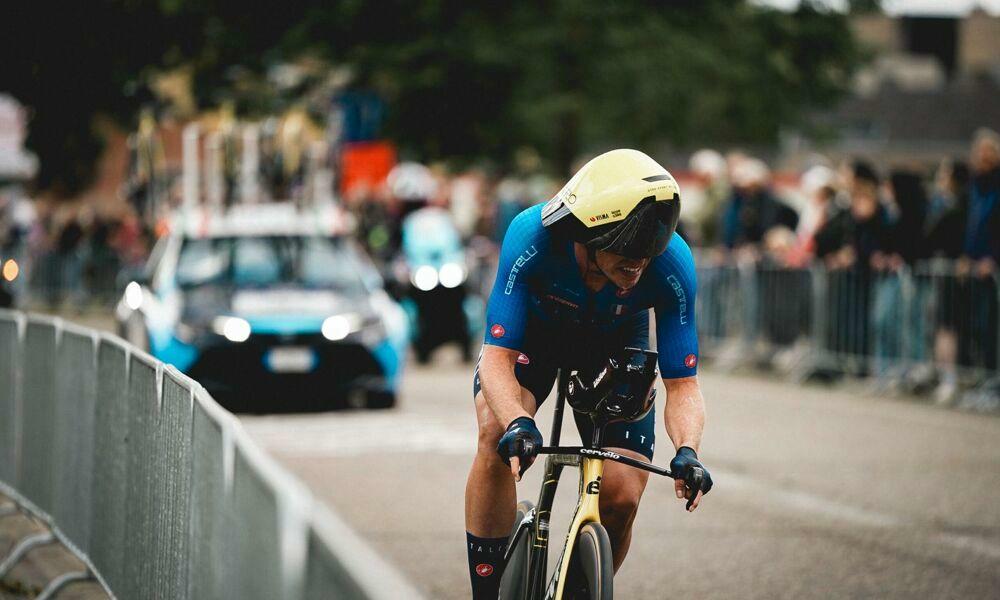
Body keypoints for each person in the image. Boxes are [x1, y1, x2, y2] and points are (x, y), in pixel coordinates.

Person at [464, 149, 713, 599]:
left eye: (648, 255)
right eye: (626, 254)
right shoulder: (531, 236)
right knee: (493, 433)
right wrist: (519, 424)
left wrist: (689, 451)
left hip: (616, 343)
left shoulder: (673, 264)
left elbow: (683, 384)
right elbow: (497, 357)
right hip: (535, 339)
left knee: (622, 495)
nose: (638, 265)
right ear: (589, 233)